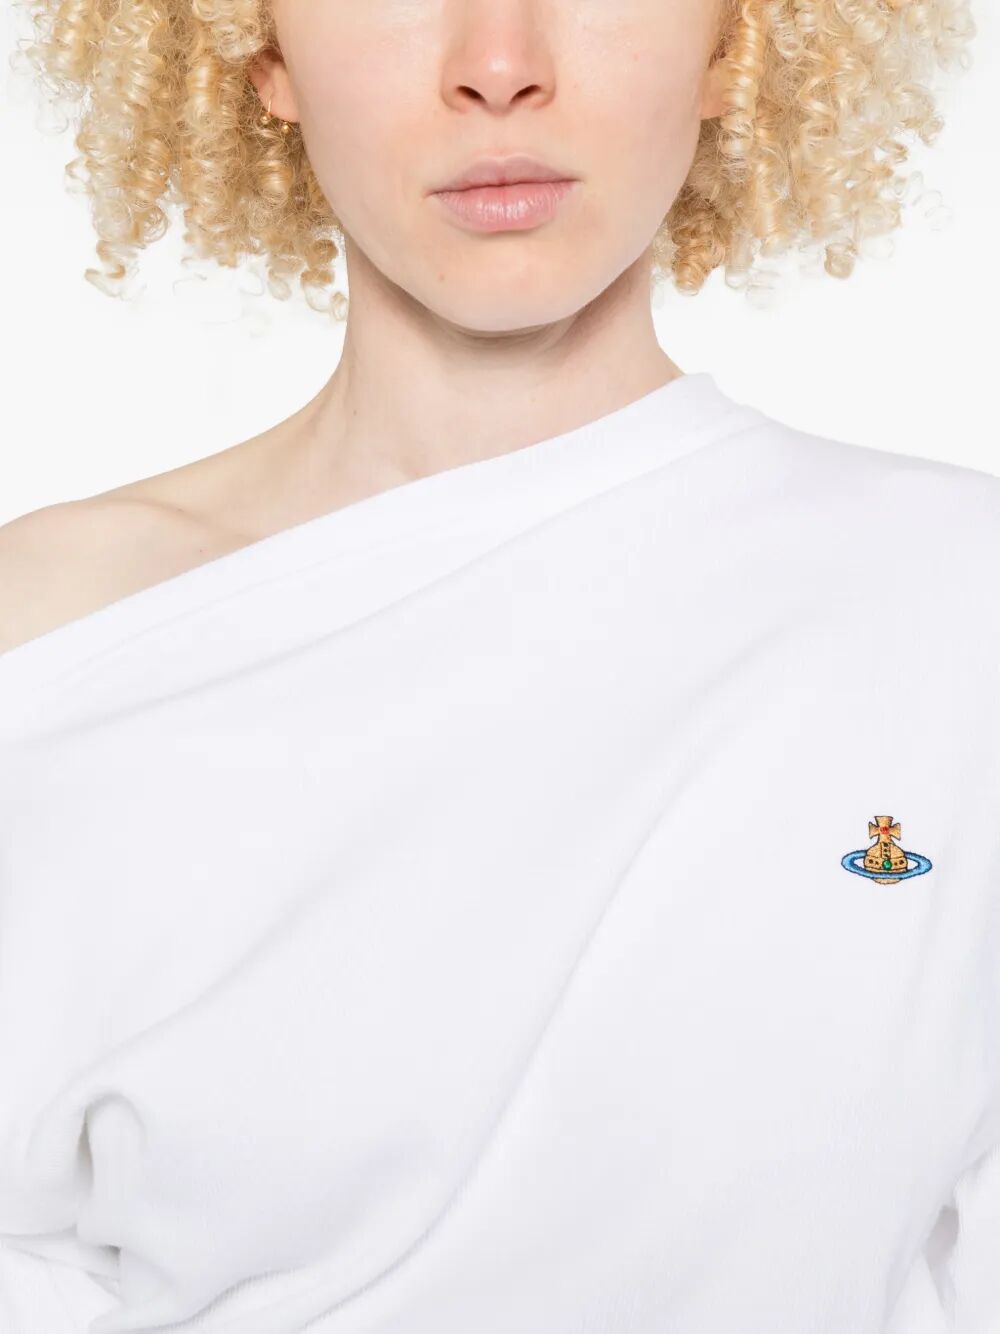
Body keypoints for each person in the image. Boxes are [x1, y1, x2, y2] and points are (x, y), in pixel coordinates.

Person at [0, 0, 995, 1331]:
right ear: (260, 52)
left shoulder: (955, 602)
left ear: (737, 42)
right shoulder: (49, 645)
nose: (499, 68)